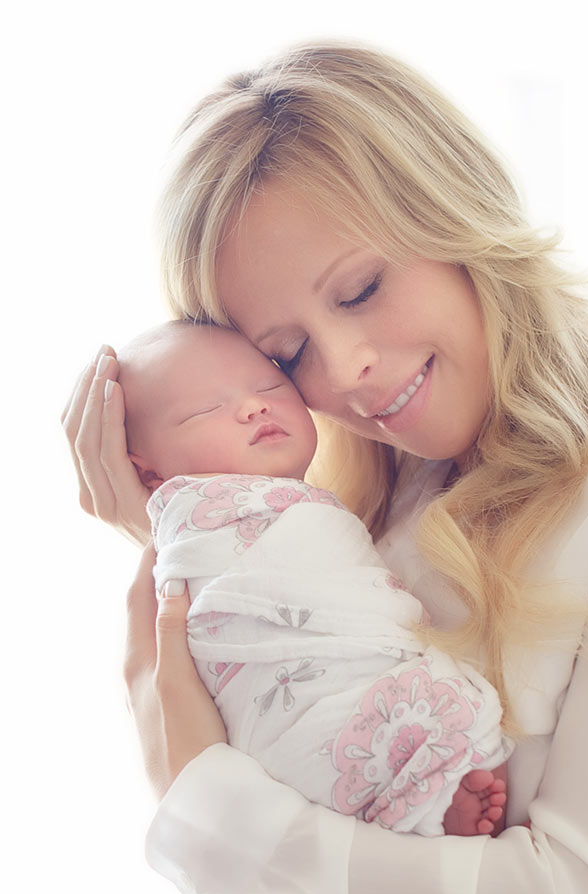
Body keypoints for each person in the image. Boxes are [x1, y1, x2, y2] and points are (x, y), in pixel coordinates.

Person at [62, 42, 588, 894]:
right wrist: (182, 530)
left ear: (459, 220)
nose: (346, 368)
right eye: (284, 354)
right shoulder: (351, 536)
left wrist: (206, 802)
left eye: (362, 288)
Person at [118, 319, 511, 836]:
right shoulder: (201, 526)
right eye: (205, 409)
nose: (253, 406)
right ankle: (409, 792)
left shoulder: (324, 506)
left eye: (270, 386)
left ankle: (422, 788)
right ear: (150, 475)